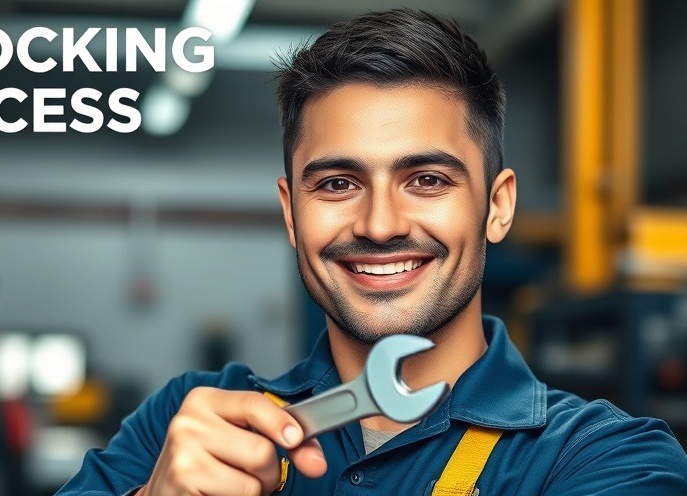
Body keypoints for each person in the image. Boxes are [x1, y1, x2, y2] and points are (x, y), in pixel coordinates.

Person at [56, 8, 687, 495]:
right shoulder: (191, 421)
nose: (380, 224)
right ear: (290, 214)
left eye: (428, 180)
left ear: (498, 206)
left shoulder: (604, 459)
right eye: (337, 184)